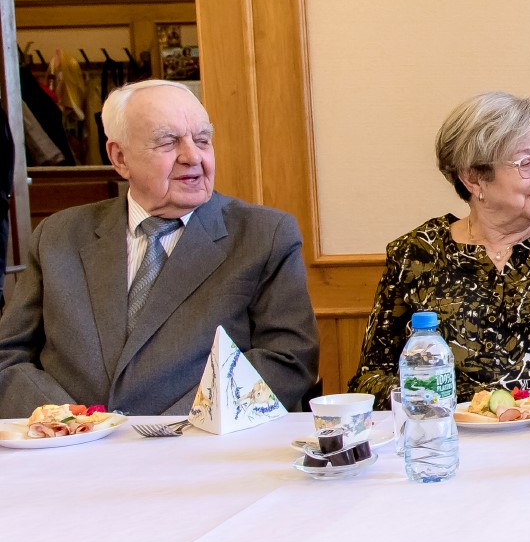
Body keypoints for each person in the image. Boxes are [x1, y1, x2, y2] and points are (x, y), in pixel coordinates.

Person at [0, 80, 318, 416]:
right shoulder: (58, 236)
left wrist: (172, 428)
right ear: (119, 157)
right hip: (70, 442)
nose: (192, 157)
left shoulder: (264, 235)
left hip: (200, 442)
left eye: (202, 140)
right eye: (168, 142)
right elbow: (7, 357)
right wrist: (71, 422)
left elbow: (288, 359)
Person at [349, 92, 530, 409]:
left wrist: (527, 408)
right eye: (526, 163)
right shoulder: (415, 253)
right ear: (473, 177)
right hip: (452, 431)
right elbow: (371, 378)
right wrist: (456, 408)